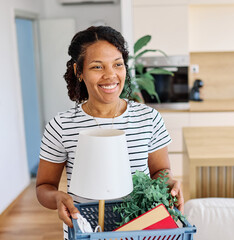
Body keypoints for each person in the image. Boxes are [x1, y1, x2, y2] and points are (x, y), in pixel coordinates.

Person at [36, 26, 184, 240]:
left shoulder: (149, 118)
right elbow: (44, 187)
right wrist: (58, 198)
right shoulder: (61, 126)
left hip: (143, 229)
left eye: (118, 64)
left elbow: (161, 170)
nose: (110, 75)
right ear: (79, 71)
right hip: (87, 231)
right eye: (97, 67)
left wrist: (168, 183)